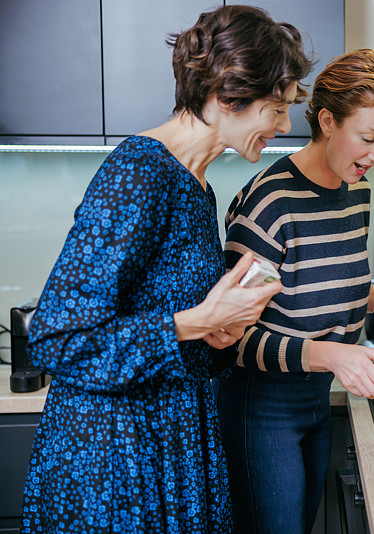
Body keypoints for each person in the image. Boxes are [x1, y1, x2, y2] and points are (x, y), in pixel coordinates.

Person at [19, 6, 311, 533]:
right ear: (229, 95)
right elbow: (56, 336)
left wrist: (215, 334)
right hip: (115, 462)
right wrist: (196, 322)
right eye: (277, 107)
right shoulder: (138, 172)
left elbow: (169, 327)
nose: (286, 125)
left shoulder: (197, 183)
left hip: (171, 442)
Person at [217, 49, 374, 534]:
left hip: (316, 398)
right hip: (263, 410)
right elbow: (233, 335)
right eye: (368, 138)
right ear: (327, 120)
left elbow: (314, 286)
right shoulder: (271, 204)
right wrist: (333, 356)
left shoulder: (358, 193)